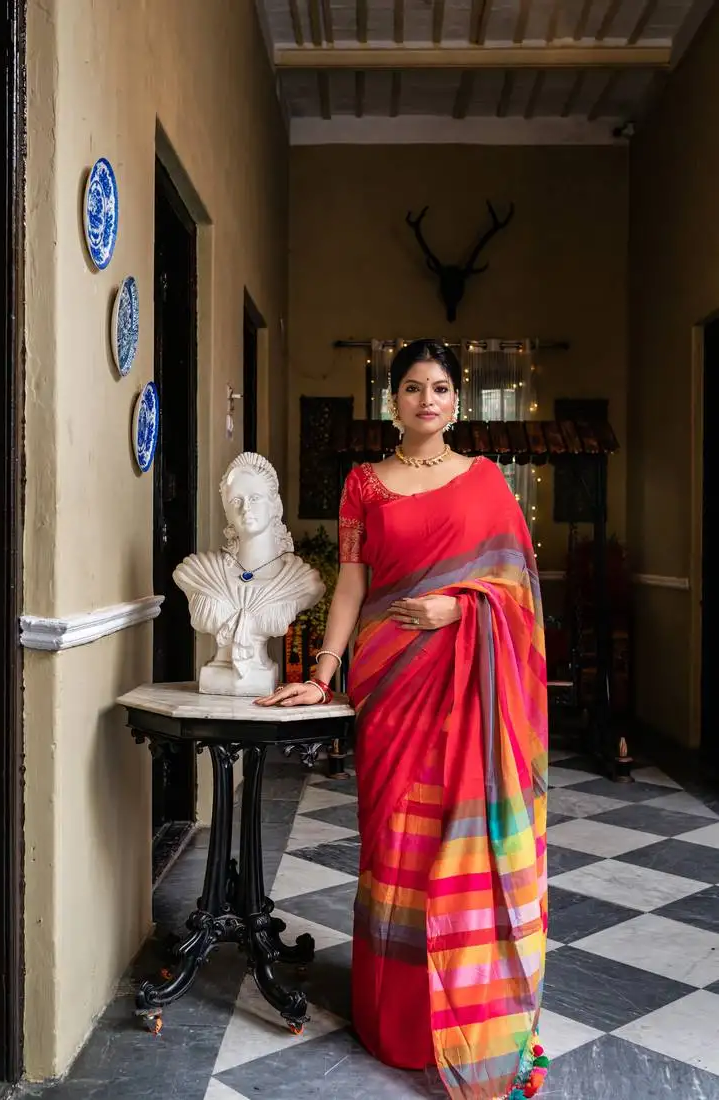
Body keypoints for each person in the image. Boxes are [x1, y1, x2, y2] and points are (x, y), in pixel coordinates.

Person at [256, 339, 549, 1100]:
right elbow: (351, 584)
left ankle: (463, 1013)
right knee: (394, 848)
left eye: (442, 388)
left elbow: (516, 592)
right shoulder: (363, 486)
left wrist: (459, 607)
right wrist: (321, 674)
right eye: (413, 387)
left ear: (459, 402)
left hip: (462, 688)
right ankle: (396, 1015)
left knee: (458, 841)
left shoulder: (486, 483)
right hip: (388, 689)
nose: (428, 399)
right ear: (392, 400)